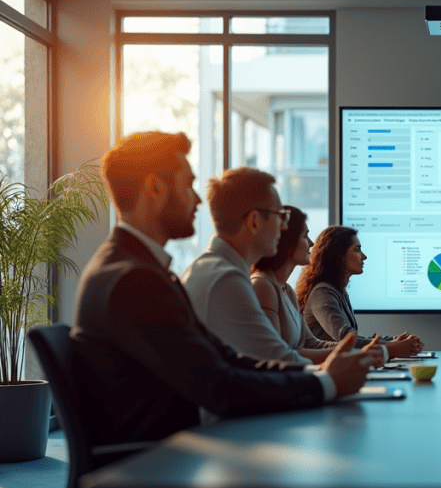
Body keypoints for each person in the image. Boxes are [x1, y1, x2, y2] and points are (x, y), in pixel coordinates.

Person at [73, 132, 375, 449]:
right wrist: (326, 383)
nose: (198, 199)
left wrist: (322, 379)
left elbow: (227, 360)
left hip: (172, 450)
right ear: (155, 188)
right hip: (156, 463)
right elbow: (218, 386)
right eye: (188, 184)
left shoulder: (137, 268)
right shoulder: (134, 278)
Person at [180, 167, 364, 366]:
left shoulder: (211, 270)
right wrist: (335, 376)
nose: (284, 226)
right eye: (280, 215)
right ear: (255, 221)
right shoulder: (228, 280)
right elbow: (278, 359)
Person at [298, 225, 423, 360]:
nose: (364, 256)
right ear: (339, 256)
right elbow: (349, 339)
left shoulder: (338, 290)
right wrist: (392, 346)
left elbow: (353, 338)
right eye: (357, 249)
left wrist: (394, 341)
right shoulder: (322, 292)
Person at [250, 205, 337, 363]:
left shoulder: (287, 291)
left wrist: (358, 350)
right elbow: (279, 354)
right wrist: (347, 354)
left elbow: (312, 344)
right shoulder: (263, 286)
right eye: (305, 236)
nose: (311, 244)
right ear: (288, 243)